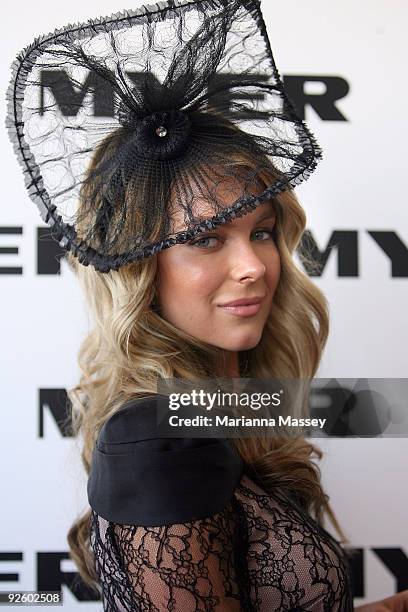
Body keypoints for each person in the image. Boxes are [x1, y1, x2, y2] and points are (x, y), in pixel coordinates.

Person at [6, 0, 408, 609]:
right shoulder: (159, 441)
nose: (253, 266)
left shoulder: (216, 410)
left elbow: (376, 408)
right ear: (140, 268)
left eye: (263, 232)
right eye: (205, 238)